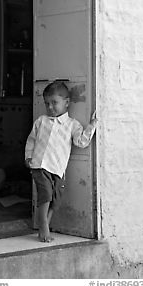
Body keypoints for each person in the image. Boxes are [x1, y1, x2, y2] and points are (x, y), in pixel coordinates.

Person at [25, 81, 97, 242]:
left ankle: (45, 224)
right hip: (40, 165)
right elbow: (31, 140)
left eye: (54, 103)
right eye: (47, 103)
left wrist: (92, 125)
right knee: (46, 195)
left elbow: (81, 142)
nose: (50, 107)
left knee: (55, 199)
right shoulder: (41, 121)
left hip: (58, 168)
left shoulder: (72, 125)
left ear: (66, 103)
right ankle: (43, 225)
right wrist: (28, 157)